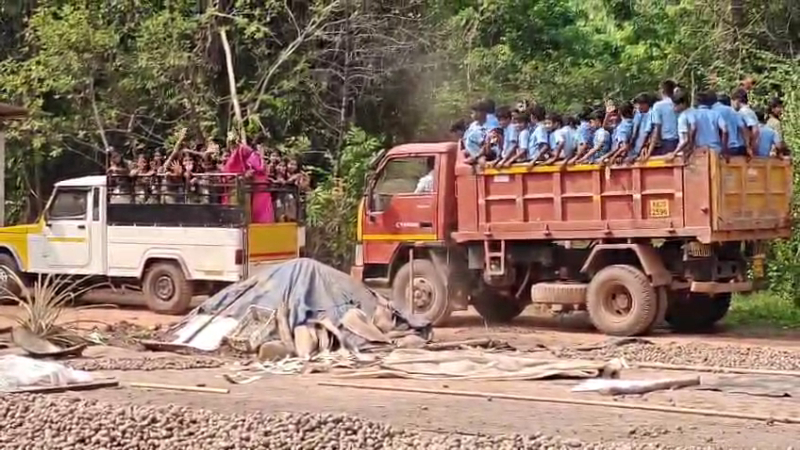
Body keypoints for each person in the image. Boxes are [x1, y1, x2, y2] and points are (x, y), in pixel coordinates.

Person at [223, 143, 274, 223]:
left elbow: (260, 170)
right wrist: (244, 176)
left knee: (248, 216)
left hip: (247, 193)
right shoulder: (231, 164)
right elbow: (229, 180)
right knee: (236, 217)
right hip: (234, 194)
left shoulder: (248, 164)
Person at [693, 90, 728, 157]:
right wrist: (724, 147)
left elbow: (693, 128)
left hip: (700, 149)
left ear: (697, 103)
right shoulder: (716, 114)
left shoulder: (694, 114)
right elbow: (725, 130)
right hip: (715, 149)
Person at [650, 80, 679, 156]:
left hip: (667, 142)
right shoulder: (679, 104)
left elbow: (657, 128)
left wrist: (650, 149)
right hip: (681, 141)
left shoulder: (658, 106)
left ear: (662, 90)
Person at [731, 88, 759, 157]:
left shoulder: (744, 112)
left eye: (732, 101)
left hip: (744, 147)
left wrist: (750, 146)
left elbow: (755, 129)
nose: (732, 104)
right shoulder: (750, 111)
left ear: (737, 100)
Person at [669, 90, 696, 160]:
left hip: (686, 152)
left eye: (675, 105)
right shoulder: (694, 111)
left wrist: (674, 153)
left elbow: (685, 140)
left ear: (683, 104)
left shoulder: (682, 117)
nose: (673, 108)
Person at [632, 93, 655, 160]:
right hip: (637, 149)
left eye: (640, 104)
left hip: (643, 149)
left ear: (646, 104)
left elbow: (646, 134)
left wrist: (643, 147)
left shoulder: (651, 114)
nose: (639, 107)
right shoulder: (641, 115)